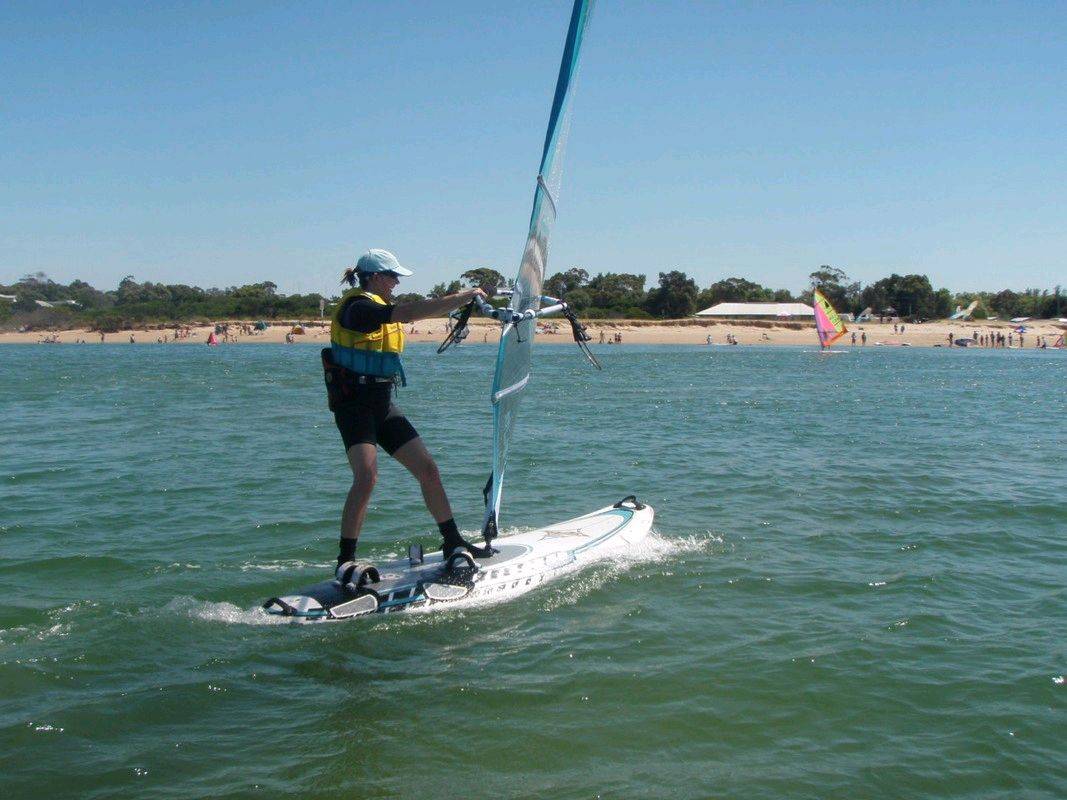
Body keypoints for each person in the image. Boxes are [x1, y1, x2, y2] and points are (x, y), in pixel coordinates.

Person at [325, 248, 491, 571]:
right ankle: (345, 561)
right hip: (354, 406)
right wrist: (461, 296)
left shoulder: (379, 305)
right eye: (393, 276)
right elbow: (411, 312)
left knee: (428, 469)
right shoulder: (357, 308)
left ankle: (453, 541)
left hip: (382, 403)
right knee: (366, 476)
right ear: (375, 277)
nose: (397, 283)